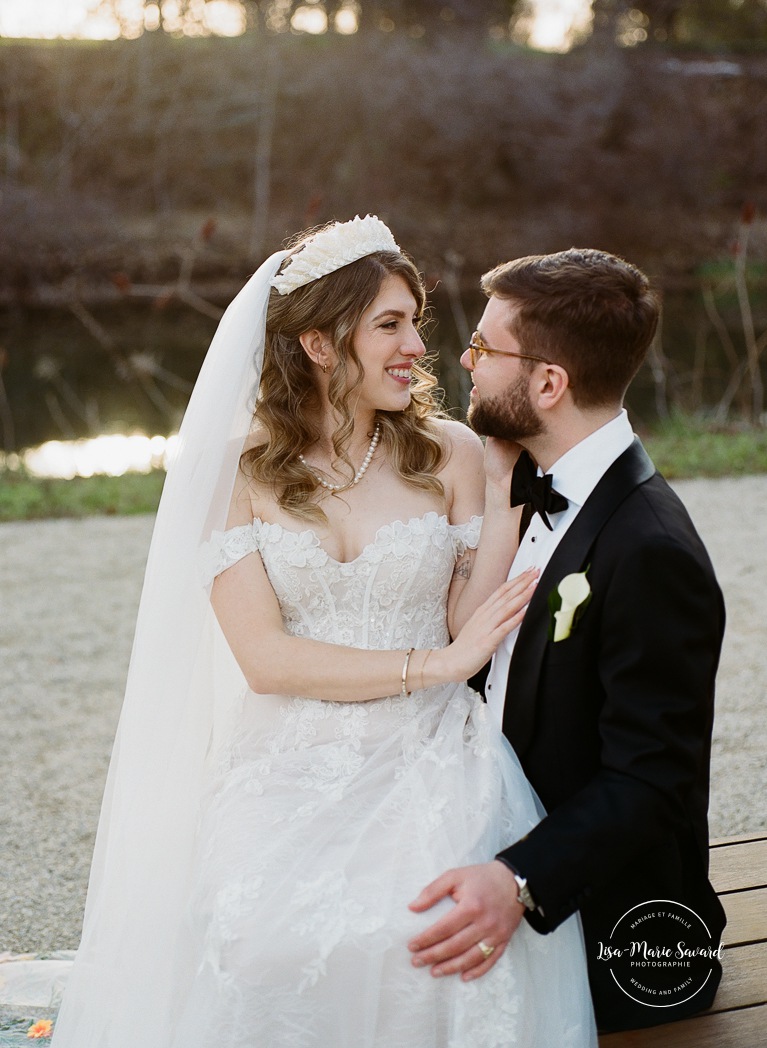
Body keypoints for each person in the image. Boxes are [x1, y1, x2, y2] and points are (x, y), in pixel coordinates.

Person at [51, 218, 597, 1048]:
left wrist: (502, 498)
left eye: (416, 320)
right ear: (316, 341)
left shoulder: (448, 451)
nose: (418, 344)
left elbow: (467, 622)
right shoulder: (237, 474)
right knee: (253, 933)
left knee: (413, 936)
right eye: (390, 323)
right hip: (284, 762)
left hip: (428, 754)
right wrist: (438, 662)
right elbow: (266, 661)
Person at [407, 247, 727, 1033]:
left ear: (548, 384)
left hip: (615, 932)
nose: (464, 363)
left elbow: (651, 781)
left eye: (483, 348)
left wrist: (517, 881)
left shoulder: (647, 549)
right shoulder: (531, 481)